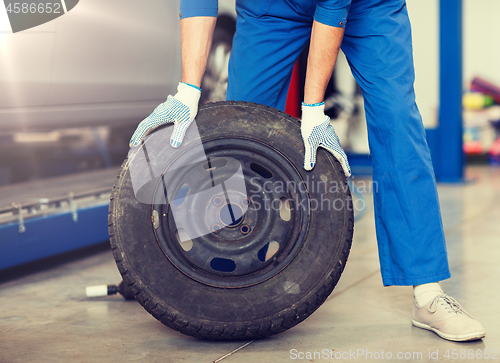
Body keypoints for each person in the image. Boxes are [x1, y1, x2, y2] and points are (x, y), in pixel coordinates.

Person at [129, 0, 485, 342]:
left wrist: (313, 109)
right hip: (269, 9)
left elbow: (333, 6)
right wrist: (187, 91)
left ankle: (427, 292)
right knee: (241, 126)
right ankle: (204, 269)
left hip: (368, 7)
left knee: (397, 122)